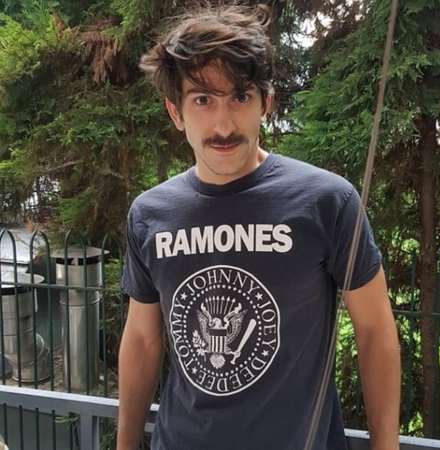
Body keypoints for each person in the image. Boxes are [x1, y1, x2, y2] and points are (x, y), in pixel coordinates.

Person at [117, 4, 401, 450]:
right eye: (203, 100)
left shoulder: (327, 202)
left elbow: (375, 330)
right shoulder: (150, 214)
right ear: (176, 113)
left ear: (266, 103)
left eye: (240, 97)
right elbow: (141, 338)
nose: (223, 124)